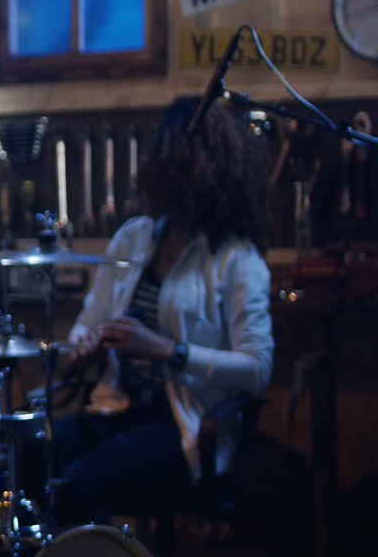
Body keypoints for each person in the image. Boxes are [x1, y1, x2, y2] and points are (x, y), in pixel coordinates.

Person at [43, 96, 274, 527]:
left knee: (76, 488)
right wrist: (85, 348)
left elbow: (258, 367)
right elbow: (87, 326)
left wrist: (170, 350)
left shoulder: (237, 260)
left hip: (184, 426)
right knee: (27, 457)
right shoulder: (133, 239)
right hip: (115, 407)